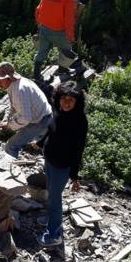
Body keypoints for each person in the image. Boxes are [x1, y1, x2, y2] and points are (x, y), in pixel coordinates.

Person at [37, 81, 88, 247]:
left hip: (62, 165)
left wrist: (74, 176)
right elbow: (51, 129)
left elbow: (78, 151)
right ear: (59, 98)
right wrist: (40, 143)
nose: (66, 103)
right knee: (50, 192)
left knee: (55, 197)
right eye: (64, 98)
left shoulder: (80, 122)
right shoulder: (58, 111)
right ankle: (51, 218)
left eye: (71, 100)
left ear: (77, 102)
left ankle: (54, 234)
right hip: (49, 158)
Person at [0, 62, 53, 158]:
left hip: (41, 120)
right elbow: (12, 106)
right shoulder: (12, 85)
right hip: (38, 116)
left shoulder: (20, 89)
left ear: (8, 78)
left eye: (0, 80)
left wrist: (9, 125)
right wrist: (6, 119)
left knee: (11, 146)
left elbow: (26, 118)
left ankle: (10, 170)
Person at [33, 0, 81, 83]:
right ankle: (62, 70)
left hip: (45, 29)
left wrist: (40, 25)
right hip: (60, 33)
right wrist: (71, 37)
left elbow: (38, 10)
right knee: (67, 50)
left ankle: (36, 75)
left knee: (42, 51)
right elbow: (68, 21)